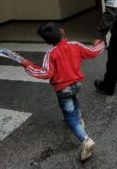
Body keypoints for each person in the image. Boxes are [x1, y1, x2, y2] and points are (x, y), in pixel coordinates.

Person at [20, 22, 105, 161]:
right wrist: (99, 42)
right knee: (74, 99)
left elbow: (45, 73)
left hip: (63, 89)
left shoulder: (50, 53)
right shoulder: (75, 45)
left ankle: (86, 140)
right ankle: (79, 121)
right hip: (77, 84)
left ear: (47, 42)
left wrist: (26, 63)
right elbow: (93, 52)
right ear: (62, 31)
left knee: (68, 114)